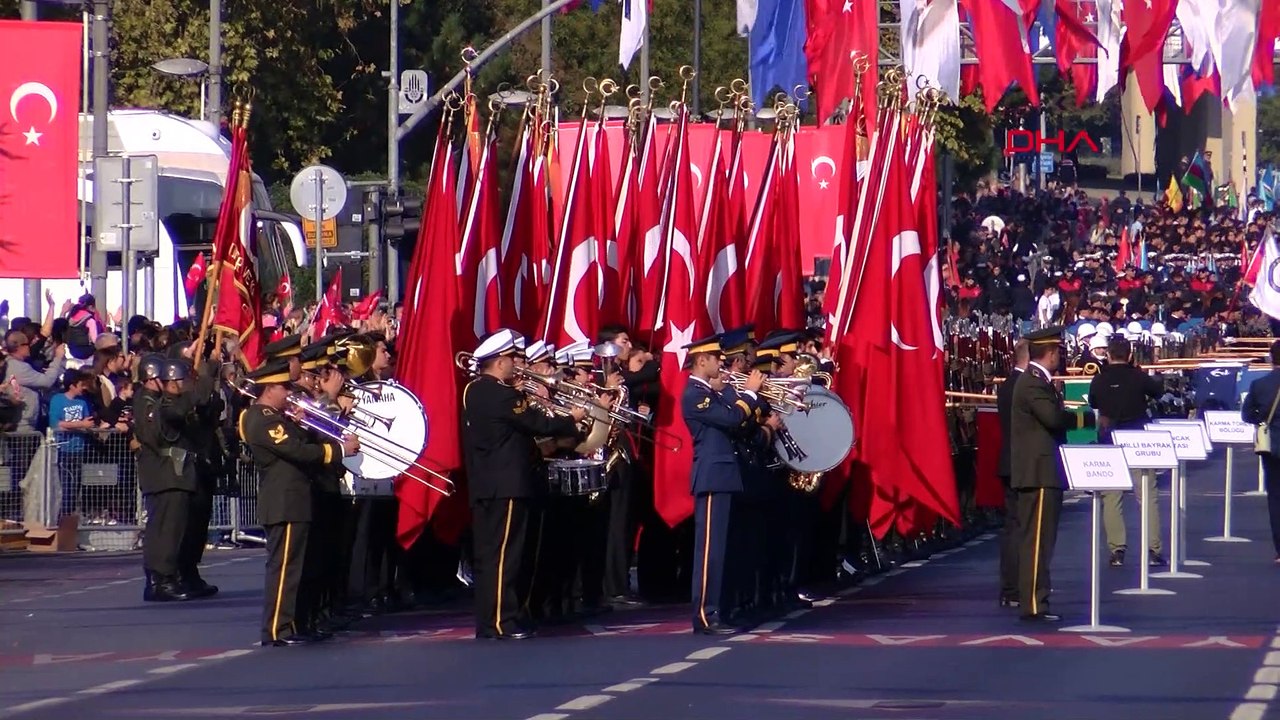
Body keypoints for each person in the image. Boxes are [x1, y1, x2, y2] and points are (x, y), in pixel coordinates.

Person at [462, 329, 585, 640]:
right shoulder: (499, 394)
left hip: (491, 484)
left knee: (493, 555)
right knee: (505, 556)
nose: (518, 366)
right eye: (513, 360)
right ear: (500, 362)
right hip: (507, 484)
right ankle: (502, 620)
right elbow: (538, 422)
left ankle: (493, 620)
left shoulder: (475, 390)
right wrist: (573, 417)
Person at [239, 358, 356, 647]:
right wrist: (341, 449)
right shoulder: (262, 417)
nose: (289, 393)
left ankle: (293, 623)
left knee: (297, 568)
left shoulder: (276, 417)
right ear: (269, 389)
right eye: (284, 388)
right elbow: (297, 451)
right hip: (284, 501)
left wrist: (303, 421)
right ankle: (279, 629)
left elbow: (300, 442)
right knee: (285, 570)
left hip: (295, 500)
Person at [680, 332, 771, 635]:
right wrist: (750, 394)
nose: (721, 362)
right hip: (712, 476)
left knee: (727, 550)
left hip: (727, 474)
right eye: (716, 358)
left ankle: (724, 609)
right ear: (701, 360)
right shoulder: (694, 393)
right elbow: (732, 419)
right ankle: (706, 615)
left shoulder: (714, 391)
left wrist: (741, 395)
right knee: (710, 552)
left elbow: (741, 421)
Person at [1009, 326, 1093, 623]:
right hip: (1039, 471)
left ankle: (1037, 597)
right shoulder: (1032, 383)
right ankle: (1033, 602)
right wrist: (1085, 417)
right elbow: (1053, 418)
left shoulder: (1036, 381)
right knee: (1037, 541)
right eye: (1058, 351)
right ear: (1052, 352)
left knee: (1041, 540)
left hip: (1042, 470)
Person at [1089, 336, 1167, 568]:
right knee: (1147, 495)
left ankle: (1117, 549)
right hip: (1138, 440)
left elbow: (1093, 402)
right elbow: (1158, 391)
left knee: (1112, 497)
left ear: (1108, 355)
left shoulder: (1099, 379)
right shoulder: (1138, 377)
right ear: (1130, 355)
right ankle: (1153, 549)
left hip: (1109, 438)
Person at [133, 355, 194, 602]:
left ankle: (165, 576)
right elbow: (158, 434)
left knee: (170, 529)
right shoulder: (149, 403)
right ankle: (161, 579)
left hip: (169, 474)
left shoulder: (154, 401)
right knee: (165, 530)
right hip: (164, 474)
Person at [995, 339, 1029, 608]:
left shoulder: (1009, 384)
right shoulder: (1023, 386)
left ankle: (1011, 587)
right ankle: (1017, 585)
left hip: (1010, 462)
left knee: (1012, 527)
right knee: (1022, 527)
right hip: (1023, 464)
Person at [1242, 340, 1280, 563]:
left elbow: (1246, 415)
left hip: (1272, 445)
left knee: (1275, 497)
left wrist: (1263, 420)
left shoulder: (1259, 385)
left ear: (1271, 358)